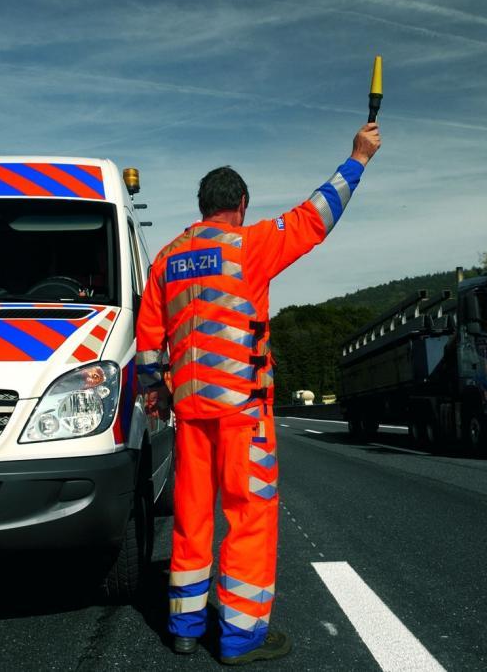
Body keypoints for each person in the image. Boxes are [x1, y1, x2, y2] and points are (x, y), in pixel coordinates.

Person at [135, 121, 381, 665]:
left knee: (192, 516)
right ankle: (241, 637)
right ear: (240, 204)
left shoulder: (166, 260)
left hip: (190, 416)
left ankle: (183, 626)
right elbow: (316, 216)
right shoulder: (251, 245)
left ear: (202, 206)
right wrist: (358, 158)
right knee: (249, 514)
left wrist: (156, 393)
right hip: (243, 413)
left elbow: (148, 341)